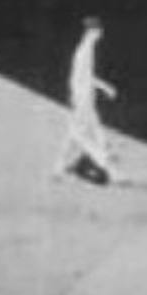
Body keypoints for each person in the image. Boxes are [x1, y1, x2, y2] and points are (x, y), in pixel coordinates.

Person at [53, 16, 118, 182]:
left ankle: (60, 169)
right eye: (98, 30)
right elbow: (80, 77)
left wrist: (104, 87)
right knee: (79, 135)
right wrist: (103, 88)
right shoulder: (84, 52)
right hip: (82, 101)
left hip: (84, 100)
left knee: (75, 135)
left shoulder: (87, 49)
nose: (101, 32)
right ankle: (103, 160)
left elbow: (85, 76)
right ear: (92, 32)